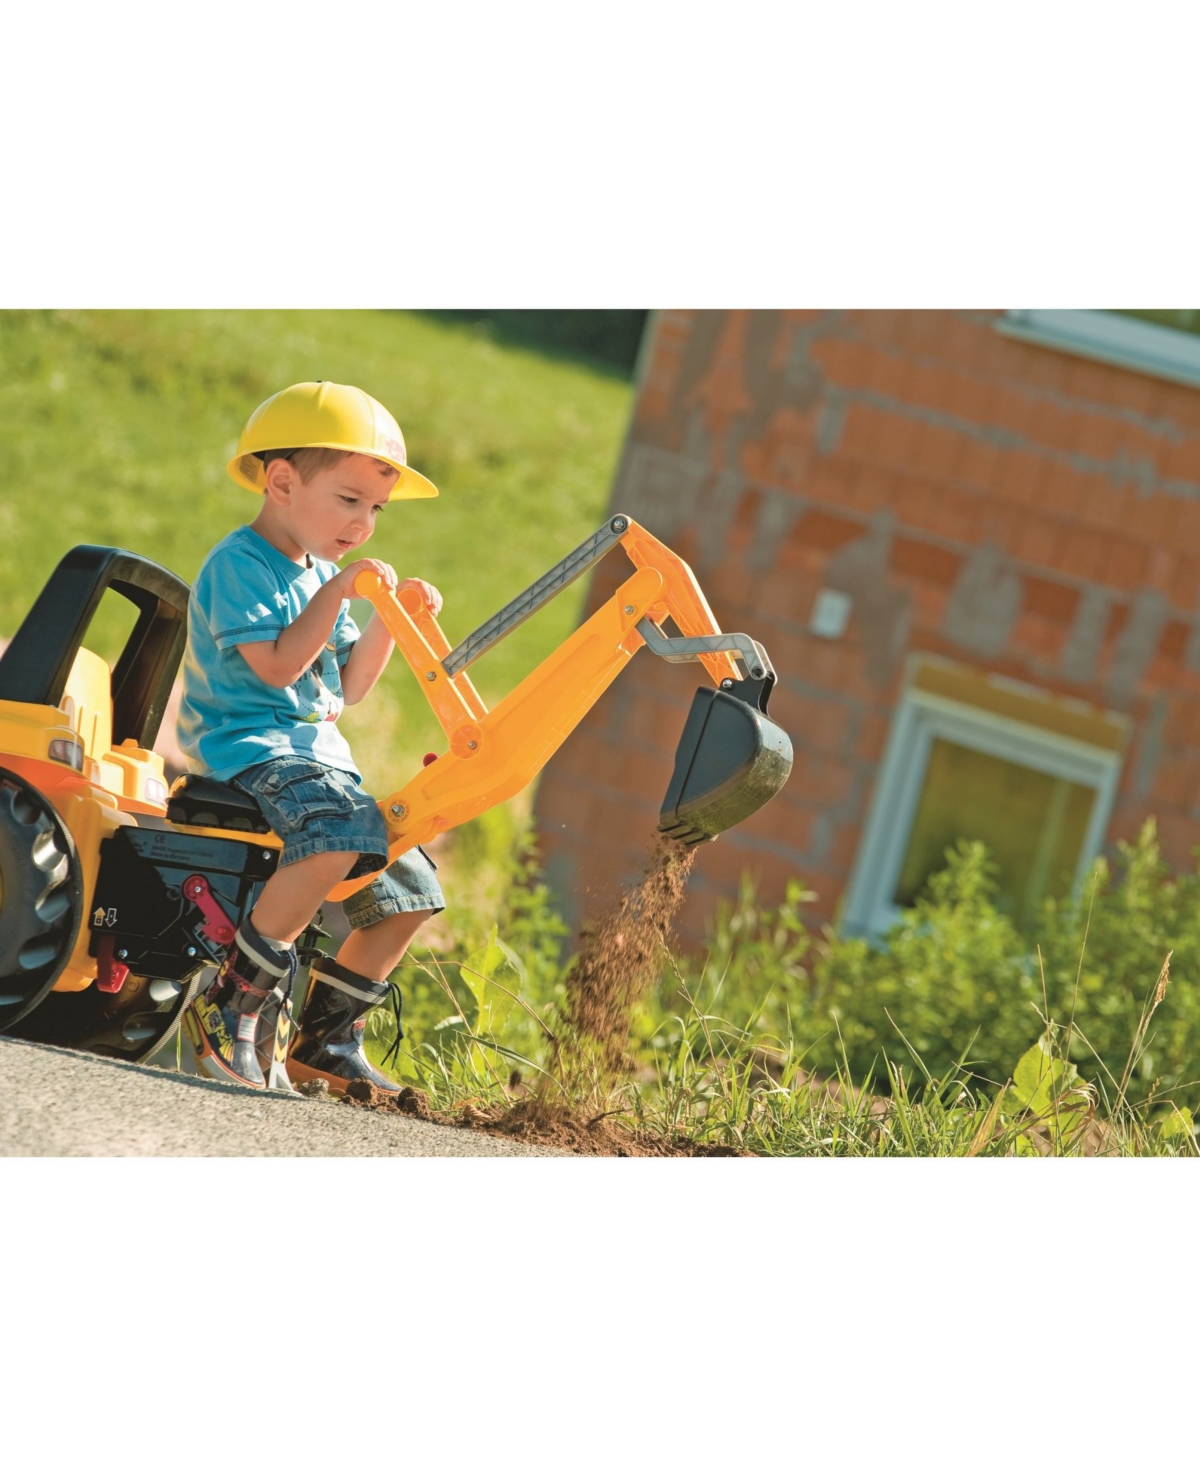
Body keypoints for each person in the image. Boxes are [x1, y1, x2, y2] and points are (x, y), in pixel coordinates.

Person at [177, 380, 445, 1092]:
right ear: (283, 482)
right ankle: (232, 996)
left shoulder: (323, 573)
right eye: (349, 500)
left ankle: (325, 1040)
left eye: (377, 509)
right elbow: (275, 667)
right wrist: (340, 591)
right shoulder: (241, 564)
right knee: (336, 832)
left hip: (318, 763)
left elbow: (350, 686)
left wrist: (391, 616)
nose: (364, 524)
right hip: (251, 750)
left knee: (414, 880)